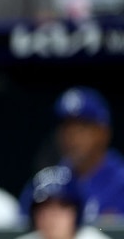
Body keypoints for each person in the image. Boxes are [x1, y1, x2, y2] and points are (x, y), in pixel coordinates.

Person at [21, 86, 124, 225]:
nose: (72, 137)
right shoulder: (44, 184)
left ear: (104, 132)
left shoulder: (120, 180)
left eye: (81, 128)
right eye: (66, 128)